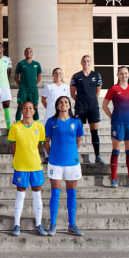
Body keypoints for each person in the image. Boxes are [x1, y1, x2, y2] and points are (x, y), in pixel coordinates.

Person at [44, 96, 85, 236]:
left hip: (72, 162)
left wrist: (71, 152)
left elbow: (78, 141)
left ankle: (72, 225)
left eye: (66, 102)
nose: (63, 104)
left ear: (69, 105)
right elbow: (46, 143)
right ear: (56, 106)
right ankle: (53, 224)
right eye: (61, 102)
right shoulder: (51, 122)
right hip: (55, 162)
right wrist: (53, 155)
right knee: (55, 193)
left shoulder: (76, 121)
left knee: (71, 193)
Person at [7, 102, 46, 236]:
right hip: (21, 166)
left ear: (34, 111)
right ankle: (17, 224)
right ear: (21, 111)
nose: (28, 110)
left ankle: (39, 224)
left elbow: (39, 145)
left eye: (30, 108)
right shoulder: (15, 127)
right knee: (20, 195)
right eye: (25, 108)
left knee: (37, 195)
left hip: (35, 165)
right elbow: (13, 146)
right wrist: (19, 158)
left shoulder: (39, 127)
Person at [102, 66, 129, 188]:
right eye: (121, 73)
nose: (124, 75)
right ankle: (113, 179)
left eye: (126, 73)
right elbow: (104, 105)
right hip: (117, 123)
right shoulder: (114, 88)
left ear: (128, 75)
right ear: (117, 75)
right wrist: (112, 117)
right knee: (116, 151)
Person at [70, 55, 104, 164]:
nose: (86, 63)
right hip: (81, 107)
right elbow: (72, 93)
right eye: (84, 61)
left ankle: (97, 156)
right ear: (81, 62)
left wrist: (92, 100)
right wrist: (80, 101)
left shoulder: (96, 75)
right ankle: (74, 155)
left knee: (94, 131)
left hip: (93, 107)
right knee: (78, 131)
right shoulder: (76, 76)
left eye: (88, 61)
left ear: (91, 62)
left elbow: (97, 91)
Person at [41, 67, 70, 162]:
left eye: (60, 73)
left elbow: (67, 101)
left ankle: (58, 154)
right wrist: (50, 108)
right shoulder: (48, 86)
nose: (58, 75)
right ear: (53, 75)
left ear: (62, 75)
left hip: (62, 115)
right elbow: (43, 100)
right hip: (50, 114)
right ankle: (47, 155)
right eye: (56, 73)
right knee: (48, 134)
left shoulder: (66, 87)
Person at [14, 47, 42, 121]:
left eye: (30, 51)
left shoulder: (37, 64)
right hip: (23, 90)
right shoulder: (21, 64)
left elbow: (39, 77)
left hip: (33, 90)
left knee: (35, 107)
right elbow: (16, 76)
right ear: (24, 53)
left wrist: (33, 85)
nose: (28, 53)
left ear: (32, 53)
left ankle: (36, 124)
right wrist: (21, 85)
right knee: (20, 106)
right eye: (26, 51)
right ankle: (17, 124)